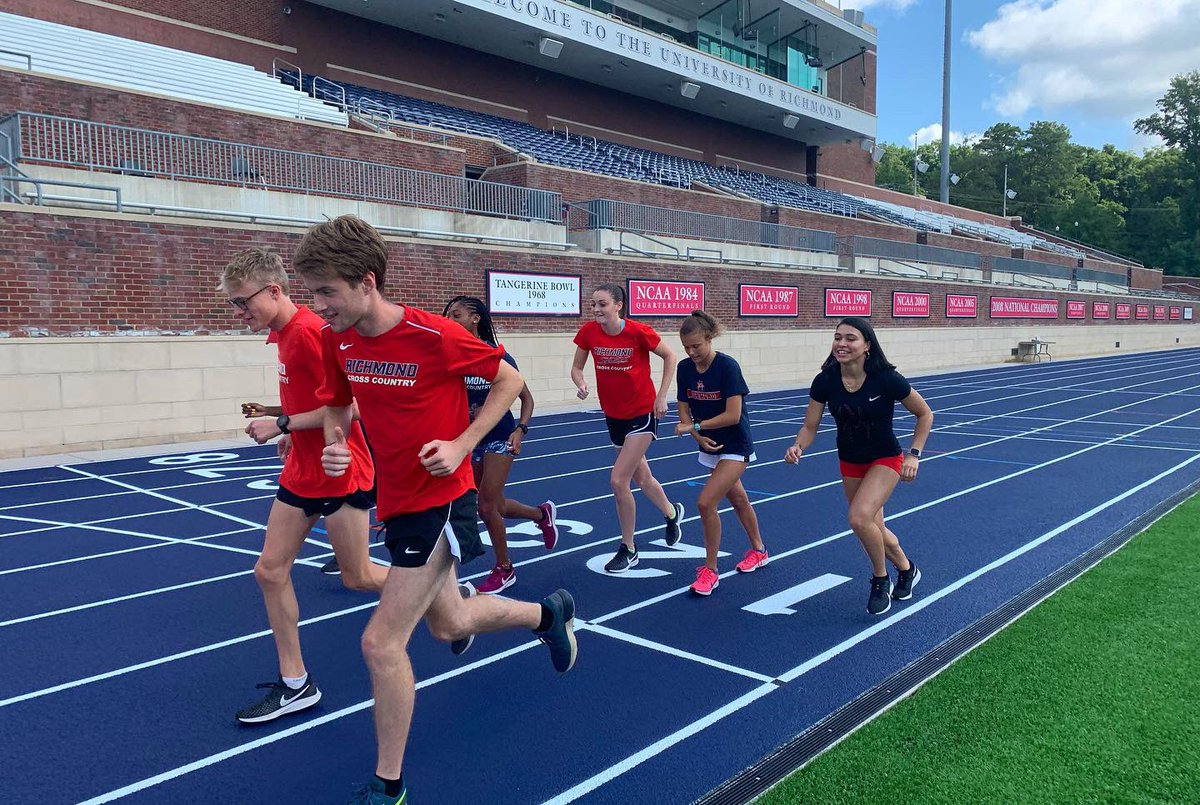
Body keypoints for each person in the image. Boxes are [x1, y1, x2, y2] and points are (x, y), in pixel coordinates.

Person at [294, 215, 577, 805]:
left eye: (326, 291)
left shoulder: (434, 335)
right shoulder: (335, 338)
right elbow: (339, 406)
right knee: (450, 623)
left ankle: (387, 785)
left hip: (441, 503)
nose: (316, 305)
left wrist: (462, 445)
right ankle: (547, 616)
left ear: (366, 281)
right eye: (311, 292)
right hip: (397, 503)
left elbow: (508, 380)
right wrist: (340, 446)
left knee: (380, 643)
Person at [219, 247, 389, 725]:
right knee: (270, 571)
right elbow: (308, 400)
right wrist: (290, 435)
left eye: (243, 301)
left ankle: (436, 592)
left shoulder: (313, 333)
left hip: (340, 469)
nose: (239, 312)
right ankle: (296, 683)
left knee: (357, 576)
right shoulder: (282, 336)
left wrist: (284, 425)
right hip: (303, 472)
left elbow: (352, 407)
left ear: (274, 291)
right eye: (233, 304)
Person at [784, 317, 933, 616]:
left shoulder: (886, 378)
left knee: (858, 518)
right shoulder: (825, 380)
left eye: (850, 338)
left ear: (867, 345)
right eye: (837, 337)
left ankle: (880, 579)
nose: (841, 343)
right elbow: (810, 426)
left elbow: (925, 414)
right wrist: (799, 445)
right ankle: (906, 568)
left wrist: (914, 454)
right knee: (872, 527)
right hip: (850, 460)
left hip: (885, 458)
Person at [442, 295, 559, 593]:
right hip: (470, 440)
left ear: (475, 318)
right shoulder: (451, 356)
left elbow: (527, 398)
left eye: (456, 315)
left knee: (485, 505)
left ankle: (505, 568)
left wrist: (520, 431)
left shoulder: (498, 356)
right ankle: (541, 514)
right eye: (448, 316)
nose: (450, 320)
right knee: (497, 505)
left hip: (500, 437)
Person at [572, 283, 685, 573]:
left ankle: (629, 548)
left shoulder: (637, 332)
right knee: (643, 478)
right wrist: (581, 383)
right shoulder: (588, 332)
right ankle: (672, 514)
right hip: (613, 414)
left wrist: (661, 396)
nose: (596, 309)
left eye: (602, 304)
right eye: (593, 304)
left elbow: (671, 356)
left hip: (642, 412)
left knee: (618, 480)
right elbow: (576, 367)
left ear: (618, 305)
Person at [672, 311, 767, 596]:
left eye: (697, 346)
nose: (692, 352)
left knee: (705, 502)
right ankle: (760, 550)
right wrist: (697, 435)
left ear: (709, 338)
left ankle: (711, 570)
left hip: (736, 445)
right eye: (686, 347)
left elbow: (733, 415)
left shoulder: (727, 367)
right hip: (709, 445)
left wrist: (696, 425)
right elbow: (683, 406)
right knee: (738, 499)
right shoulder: (684, 367)